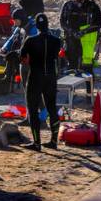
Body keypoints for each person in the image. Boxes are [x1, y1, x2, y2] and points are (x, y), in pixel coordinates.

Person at [19, 13, 62, 151]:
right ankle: (54, 141)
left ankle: (37, 143)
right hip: (50, 77)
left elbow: (22, 58)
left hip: (35, 77)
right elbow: (58, 56)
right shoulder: (56, 41)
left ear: (36, 26)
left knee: (32, 109)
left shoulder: (30, 40)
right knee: (52, 108)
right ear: (48, 24)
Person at [59, 0, 101, 73]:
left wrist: (84, 32)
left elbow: (99, 23)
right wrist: (72, 32)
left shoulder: (92, 6)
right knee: (71, 66)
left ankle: (89, 85)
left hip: (86, 41)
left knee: (87, 67)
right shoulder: (68, 5)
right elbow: (62, 22)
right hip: (71, 39)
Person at [0, 9, 36, 82]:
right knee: (10, 55)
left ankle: (18, 76)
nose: (15, 23)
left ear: (22, 19)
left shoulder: (32, 27)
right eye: (14, 21)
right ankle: (8, 76)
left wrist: (18, 52)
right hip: (23, 51)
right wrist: (4, 48)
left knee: (13, 55)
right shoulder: (20, 26)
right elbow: (12, 38)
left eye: (16, 21)